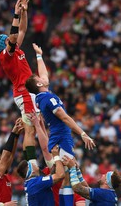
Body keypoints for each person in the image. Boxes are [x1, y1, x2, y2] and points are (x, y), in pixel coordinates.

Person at [25, 43, 96, 205]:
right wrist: (83, 134)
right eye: (39, 79)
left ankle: (86, 197)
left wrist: (39, 56)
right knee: (67, 175)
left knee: (72, 171)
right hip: (61, 138)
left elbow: (44, 75)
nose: (43, 78)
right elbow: (65, 118)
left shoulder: (43, 96)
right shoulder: (48, 99)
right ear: (38, 84)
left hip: (59, 137)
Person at [0, 0, 39, 168]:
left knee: (36, 126)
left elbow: (22, 31)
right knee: (30, 129)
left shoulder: (14, 50)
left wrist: (24, 12)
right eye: (6, 40)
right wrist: (15, 14)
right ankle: (32, 165)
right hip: (23, 92)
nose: (9, 39)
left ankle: (34, 161)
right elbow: (13, 36)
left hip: (28, 92)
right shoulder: (6, 55)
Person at [0, 118, 24, 202]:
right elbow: (6, 156)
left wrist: (17, 136)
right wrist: (13, 133)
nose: (2, 160)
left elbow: (10, 156)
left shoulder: (3, 176)